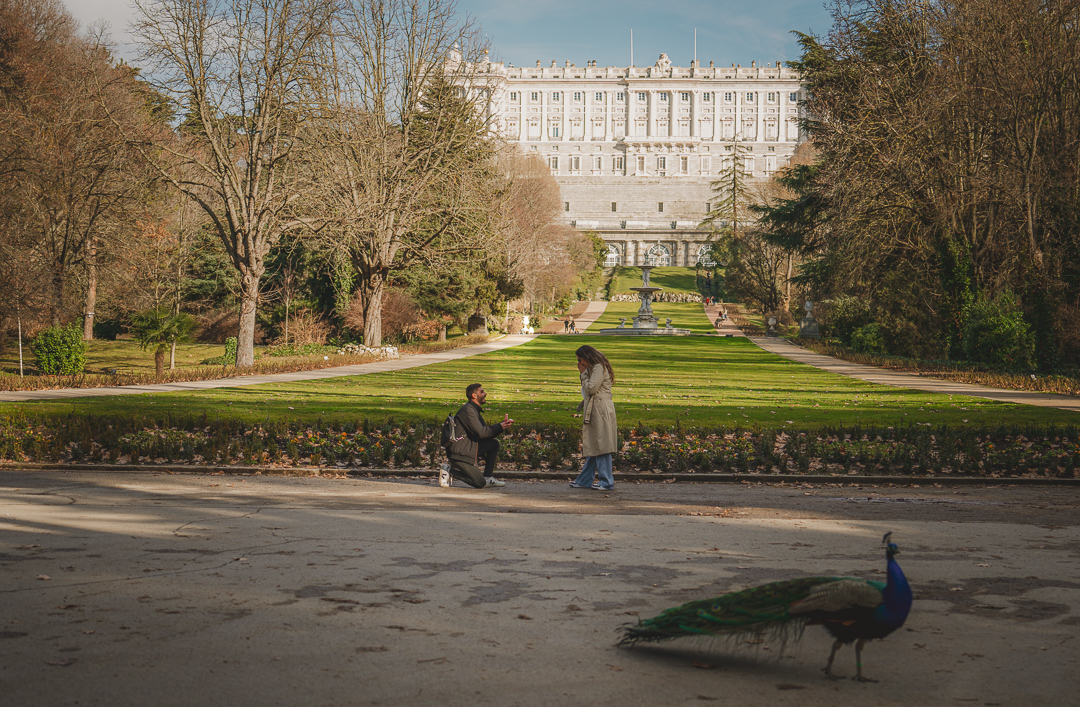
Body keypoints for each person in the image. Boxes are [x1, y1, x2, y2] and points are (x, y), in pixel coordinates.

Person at [441, 383, 512, 489]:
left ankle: (488, 477)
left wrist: (502, 426)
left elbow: (485, 435)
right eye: (482, 391)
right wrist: (500, 426)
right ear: (474, 395)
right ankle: (448, 470)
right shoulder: (468, 410)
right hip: (459, 454)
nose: (485, 394)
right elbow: (481, 432)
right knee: (479, 483)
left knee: (493, 444)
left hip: (467, 449)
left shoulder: (473, 409)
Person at [570, 345, 617, 491]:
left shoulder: (598, 367)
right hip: (596, 407)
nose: (579, 362)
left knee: (602, 443)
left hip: (600, 408)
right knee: (595, 443)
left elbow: (591, 388)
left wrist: (583, 374)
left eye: (579, 359)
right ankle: (585, 479)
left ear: (586, 356)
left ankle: (606, 481)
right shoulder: (594, 368)